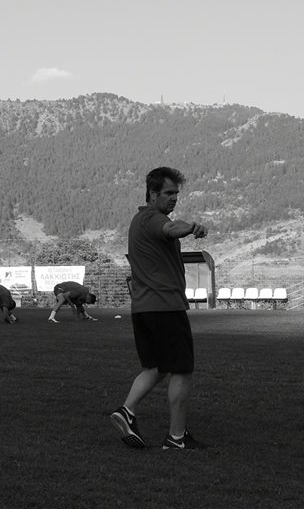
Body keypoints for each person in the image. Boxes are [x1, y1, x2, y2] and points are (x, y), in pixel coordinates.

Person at [110, 167, 208, 450]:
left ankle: (127, 411)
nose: (174, 198)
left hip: (143, 308)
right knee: (181, 369)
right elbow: (170, 228)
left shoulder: (138, 220)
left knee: (157, 367)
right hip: (165, 307)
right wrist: (190, 227)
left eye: (176, 193)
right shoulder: (154, 218)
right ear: (153, 194)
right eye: (168, 193)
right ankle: (176, 438)